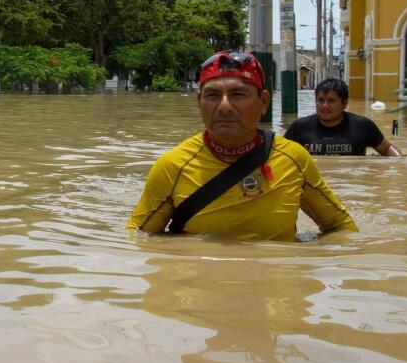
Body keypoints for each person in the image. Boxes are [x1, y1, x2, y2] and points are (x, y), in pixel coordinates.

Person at [127, 51, 358, 241]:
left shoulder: (294, 159)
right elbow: (138, 239)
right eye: (212, 95)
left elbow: (342, 230)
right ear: (199, 103)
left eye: (238, 94)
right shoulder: (172, 166)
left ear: (263, 102)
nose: (225, 106)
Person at [285, 78, 405, 157]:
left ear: (345, 103)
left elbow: (387, 149)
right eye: (320, 100)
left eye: (331, 101)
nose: (325, 106)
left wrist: (399, 168)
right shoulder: (299, 127)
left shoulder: (363, 126)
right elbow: (280, 155)